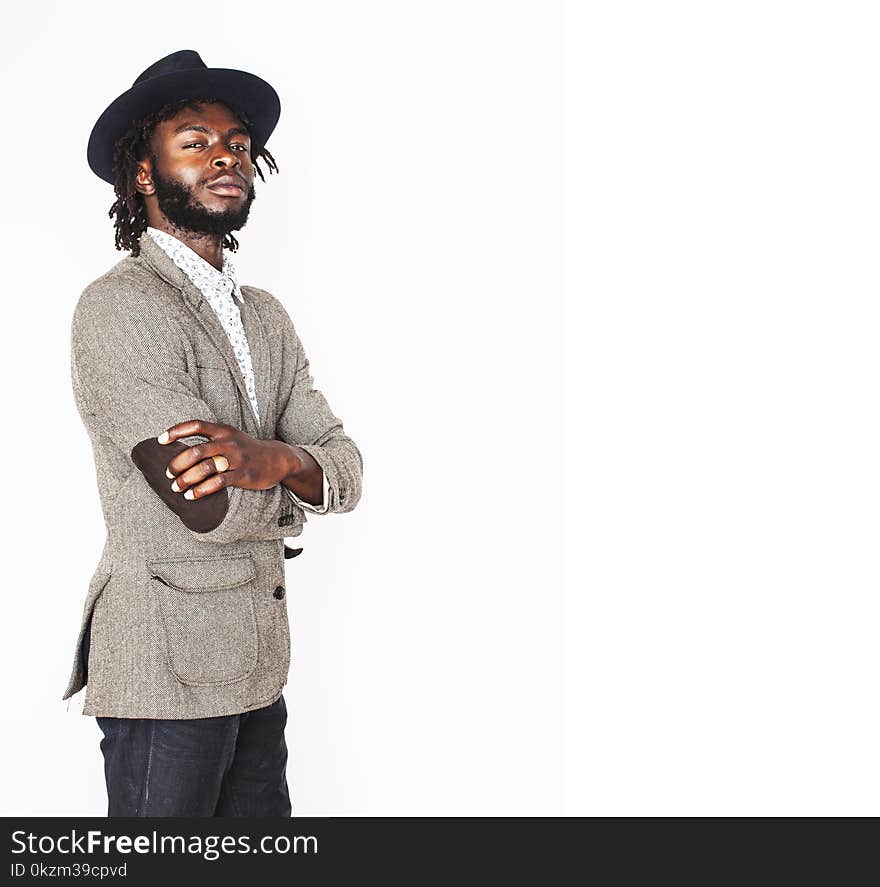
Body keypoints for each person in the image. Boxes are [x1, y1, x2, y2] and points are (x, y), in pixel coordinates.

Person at [62, 49, 363, 817]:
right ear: (142, 172)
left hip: (259, 667)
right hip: (165, 673)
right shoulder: (120, 309)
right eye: (194, 141)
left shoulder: (264, 313)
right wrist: (299, 482)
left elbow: (348, 467)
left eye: (235, 143)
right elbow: (207, 506)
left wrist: (271, 458)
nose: (225, 156)